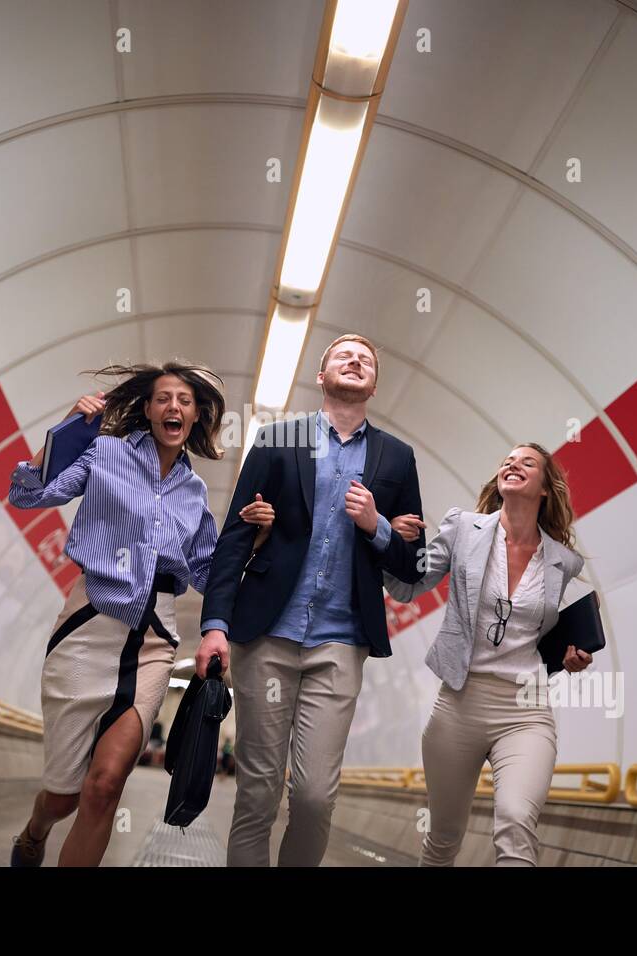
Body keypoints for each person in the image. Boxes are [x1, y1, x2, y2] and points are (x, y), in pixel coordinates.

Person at [6, 362, 274, 867]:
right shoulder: (103, 452)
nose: (174, 407)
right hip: (89, 626)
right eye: (163, 398)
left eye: (185, 401)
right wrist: (63, 433)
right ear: (148, 410)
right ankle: (37, 830)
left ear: (195, 416)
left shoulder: (194, 493)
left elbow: (206, 572)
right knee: (64, 795)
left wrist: (253, 537)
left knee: (106, 784)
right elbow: (27, 493)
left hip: (154, 638)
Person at [197, 333, 427, 867]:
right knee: (257, 790)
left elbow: (411, 569)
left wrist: (377, 528)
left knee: (315, 797)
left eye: (366, 359)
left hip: (341, 643)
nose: (356, 360)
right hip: (268, 636)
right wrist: (214, 624)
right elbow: (234, 536)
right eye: (343, 355)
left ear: (373, 384)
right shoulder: (278, 440)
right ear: (321, 377)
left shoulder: (398, 457)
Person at [383, 442, 594, 866]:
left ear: (545, 489)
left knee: (516, 822)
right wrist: (387, 539)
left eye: (527, 462)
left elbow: (557, 636)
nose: (513, 464)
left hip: (525, 710)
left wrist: (574, 656)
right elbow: (408, 588)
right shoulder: (463, 529)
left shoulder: (563, 562)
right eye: (507, 460)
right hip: (459, 704)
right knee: (442, 838)